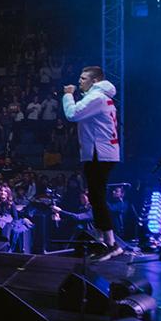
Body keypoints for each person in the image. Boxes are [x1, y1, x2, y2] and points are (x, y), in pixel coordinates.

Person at [62, 66, 121, 260]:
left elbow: (72, 114)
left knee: (97, 199)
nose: (79, 81)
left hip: (100, 154)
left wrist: (68, 95)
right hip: (99, 153)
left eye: (83, 78)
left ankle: (111, 245)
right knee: (96, 199)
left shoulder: (96, 97)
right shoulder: (99, 96)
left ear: (94, 81)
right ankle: (104, 241)